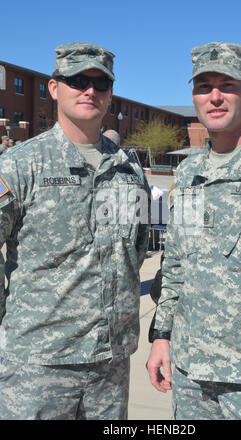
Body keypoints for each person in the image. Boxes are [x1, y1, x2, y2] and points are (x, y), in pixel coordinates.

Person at [147, 42, 241, 420]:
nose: (215, 96)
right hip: (190, 375)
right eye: (203, 86)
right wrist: (162, 335)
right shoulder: (187, 173)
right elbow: (176, 263)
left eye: (227, 84)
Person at [0, 41, 150, 420]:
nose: (90, 91)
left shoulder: (130, 173)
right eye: (77, 80)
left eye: (101, 84)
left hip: (110, 367)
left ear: (111, 94)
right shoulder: (20, 165)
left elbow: (138, 251)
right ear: (54, 88)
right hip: (38, 365)